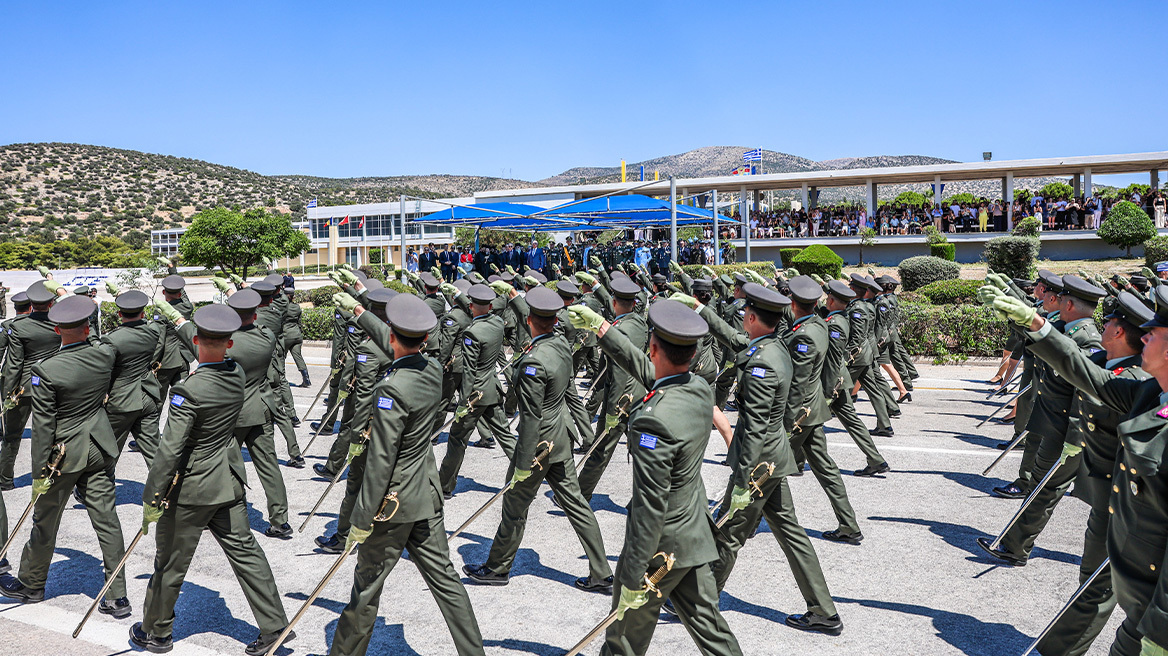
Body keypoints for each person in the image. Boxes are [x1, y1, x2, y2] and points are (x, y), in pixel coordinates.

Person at [567, 300, 742, 656]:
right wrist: (602, 328)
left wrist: (630, 577)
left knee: (623, 641)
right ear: (693, 354)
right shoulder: (698, 389)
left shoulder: (653, 420)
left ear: (654, 347)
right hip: (693, 535)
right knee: (712, 633)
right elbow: (651, 371)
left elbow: (648, 509)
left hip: (661, 549)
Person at [324, 292, 485, 656]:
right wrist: (360, 312)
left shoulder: (391, 388)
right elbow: (396, 341)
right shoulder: (429, 368)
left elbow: (381, 460)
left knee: (365, 590)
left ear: (394, 339)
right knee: (446, 582)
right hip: (425, 494)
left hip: (392, 505)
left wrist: (360, 519)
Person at [131, 304, 294, 656]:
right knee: (246, 552)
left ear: (195, 341)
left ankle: (156, 632)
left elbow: (169, 449)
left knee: (171, 560)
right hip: (228, 478)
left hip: (192, 487)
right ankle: (275, 625)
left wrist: (152, 496)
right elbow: (210, 352)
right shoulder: (236, 372)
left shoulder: (188, 390)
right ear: (229, 343)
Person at [684, 282, 844, 634]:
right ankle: (823, 609)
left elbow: (754, 430)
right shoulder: (774, 346)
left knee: (727, 535)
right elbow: (735, 339)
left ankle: (700, 605)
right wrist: (699, 310)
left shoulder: (762, 367)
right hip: (773, 460)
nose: (742, 315)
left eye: (745, 312)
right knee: (791, 533)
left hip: (757, 467)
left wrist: (741, 484)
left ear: (754, 317)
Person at [462, 287, 613, 592]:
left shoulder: (534, 362)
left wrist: (521, 462)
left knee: (515, 506)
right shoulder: (559, 344)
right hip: (560, 438)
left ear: (530, 320)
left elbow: (530, 418)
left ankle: (497, 567)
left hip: (538, 445)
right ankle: (602, 571)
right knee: (577, 505)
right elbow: (568, 389)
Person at [0, 294, 130, 616]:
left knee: (45, 519)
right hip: (99, 446)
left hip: (63, 455)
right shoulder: (104, 355)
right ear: (88, 327)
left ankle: (31, 583)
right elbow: (100, 339)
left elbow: (43, 427)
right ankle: (117, 595)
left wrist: (38, 475)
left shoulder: (47, 370)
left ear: (57, 331)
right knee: (107, 520)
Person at [158, 288, 294, 538]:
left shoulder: (228, 346)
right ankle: (280, 519)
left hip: (233, 414)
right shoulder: (266, 337)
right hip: (261, 408)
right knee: (269, 465)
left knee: (228, 465)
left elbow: (193, 336)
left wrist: (176, 317)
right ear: (255, 314)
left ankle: (223, 512)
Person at [438, 284, 512, 496]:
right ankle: (528, 475)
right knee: (506, 436)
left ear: (471, 305)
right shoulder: (497, 323)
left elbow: (470, 371)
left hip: (475, 394)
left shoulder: (472, 332)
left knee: (457, 439)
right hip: (492, 387)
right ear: (490, 305)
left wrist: (463, 402)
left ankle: (445, 486)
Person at [101, 289, 165, 466]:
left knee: (109, 451)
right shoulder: (152, 333)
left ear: (119, 314)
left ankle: (98, 491)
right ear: (143, 313)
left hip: (121, 401)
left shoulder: (112, 340)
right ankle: (167, 490)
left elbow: (105, 371)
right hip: (147, 395)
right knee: (154, 452)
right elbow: (156, 322)